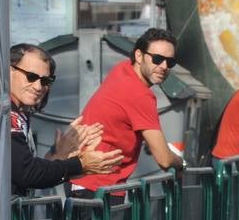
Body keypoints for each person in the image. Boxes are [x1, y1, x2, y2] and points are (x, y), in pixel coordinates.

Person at [70, 27, 186, 197]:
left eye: (170, 62)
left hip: (83, 182)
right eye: (157, 59)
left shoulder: (123, 69)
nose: (164, 67)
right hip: (96, 189)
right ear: (139, 56)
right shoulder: (140, 94)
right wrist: (181, 163)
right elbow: (164, 159)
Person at [8, 43, 120, 195]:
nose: (38, 86)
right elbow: (27, 173)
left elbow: (26, 171)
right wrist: (80, 165)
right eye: (31, 77)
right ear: (9, 71)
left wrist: (58, 157)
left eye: (46, 81)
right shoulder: (5, 115)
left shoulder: (18, 113)